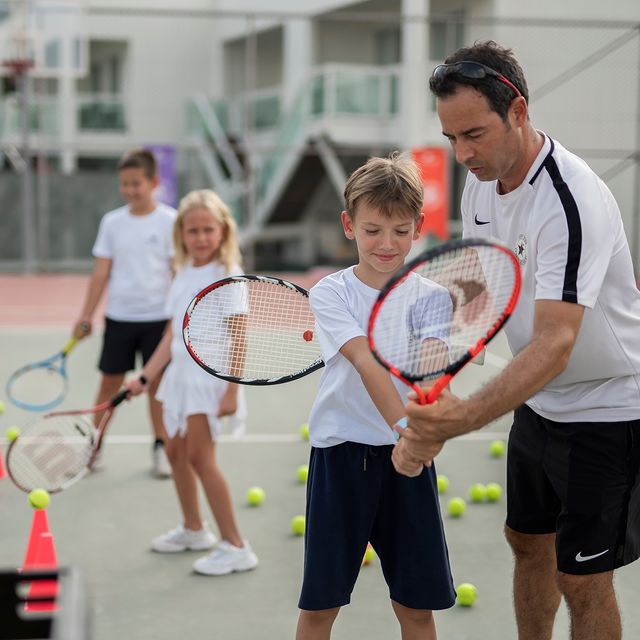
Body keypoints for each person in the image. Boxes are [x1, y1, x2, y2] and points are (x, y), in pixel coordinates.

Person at [392, 41, 640, 640]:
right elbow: (475, 293)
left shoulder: (568, 200)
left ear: (519, 110)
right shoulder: (481, 185)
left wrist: (460, 419)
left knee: (583, 579)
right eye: (452, 138)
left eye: (474, 133)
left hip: (606, 405)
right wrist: (435, 371)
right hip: (540, 399)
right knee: (526, 543)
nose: (463, 153)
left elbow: (556, 341)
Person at [296, 155, 455, 640]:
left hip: (408, 464)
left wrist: (425, 429)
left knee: (415, 608)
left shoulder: (433, 297)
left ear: (418, 228)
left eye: (400, 230)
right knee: (320, 610)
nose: (387, 244)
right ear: (349, 225)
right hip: (341, 456)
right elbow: (366, 363)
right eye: (372, 230)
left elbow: (429, 374)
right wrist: (408, 432)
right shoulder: (331, 293)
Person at [126, 189, 256, 576]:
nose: (200, 237)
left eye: (208, 229)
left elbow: (240, 336)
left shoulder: (227, 275)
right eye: (192, 230)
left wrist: (231, 389)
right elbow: (172, 334)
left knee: (201, 458)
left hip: (210, 378)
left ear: (223, 231)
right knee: (175, 452)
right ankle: (194, 529)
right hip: (179, 377)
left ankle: (236, 545)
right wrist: (146, 376)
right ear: (181, 233)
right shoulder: (182, 272)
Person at [72, 148, 176, 478]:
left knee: (156, 386)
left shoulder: (170, 221)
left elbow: (176, 272)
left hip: (158, 319)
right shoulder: (112, 223)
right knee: (109, 384)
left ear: (153, 182)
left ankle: (161, 448)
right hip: (119, 318)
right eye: (125, 184)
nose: (130, 190)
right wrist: (86, 315)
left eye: (137, 183)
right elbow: (101, 272)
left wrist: (177, 316)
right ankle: (94, 445)